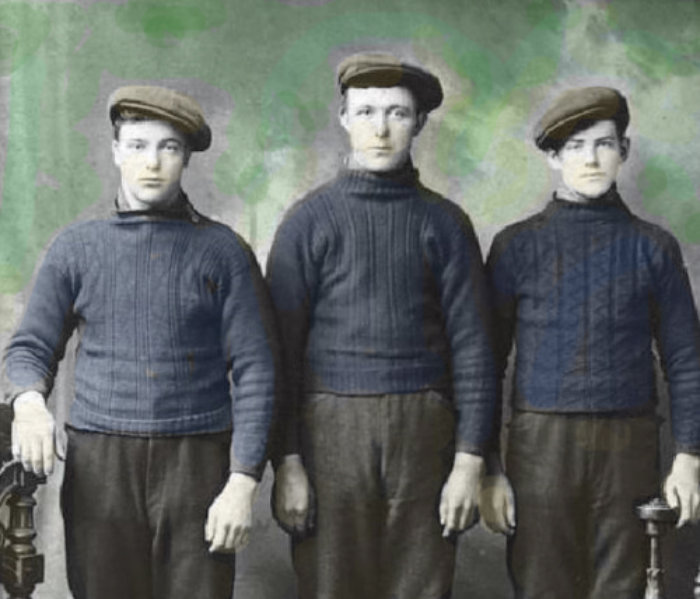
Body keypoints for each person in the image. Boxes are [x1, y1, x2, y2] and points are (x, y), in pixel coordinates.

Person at [3, 85, 279, 599]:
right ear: (115, 151)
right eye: (137, 145)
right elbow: (30, 348)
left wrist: (242, 481)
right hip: (100, 466)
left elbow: (258, 371)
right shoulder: (76, 249)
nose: (151, 162)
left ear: (186, 157)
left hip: (197, 463)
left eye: (168, 148)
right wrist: (28, 403)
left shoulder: (223, 252)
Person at [266, 52, 498, 599]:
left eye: (397, 113)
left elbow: (475, 351)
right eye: (367, 111)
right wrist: (288, 462)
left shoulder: (446, 224)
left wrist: (469, 462)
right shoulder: (308, 222)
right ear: (344, 118)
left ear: (418, 123)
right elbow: (278, 356)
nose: (381, 127)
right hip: (329, 432)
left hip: (424, 432)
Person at [481, 86, 700, 598]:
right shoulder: (516, 246)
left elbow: (686, 361)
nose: (592, 159)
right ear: (554, 158)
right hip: (540, 447)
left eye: (603, 144)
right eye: (576, 147)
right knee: (542, 585)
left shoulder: (654, 248)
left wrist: (689, 457)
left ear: (624, 150)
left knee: (624, 587)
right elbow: (485, 364)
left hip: (629, 447)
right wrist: (489, 467)